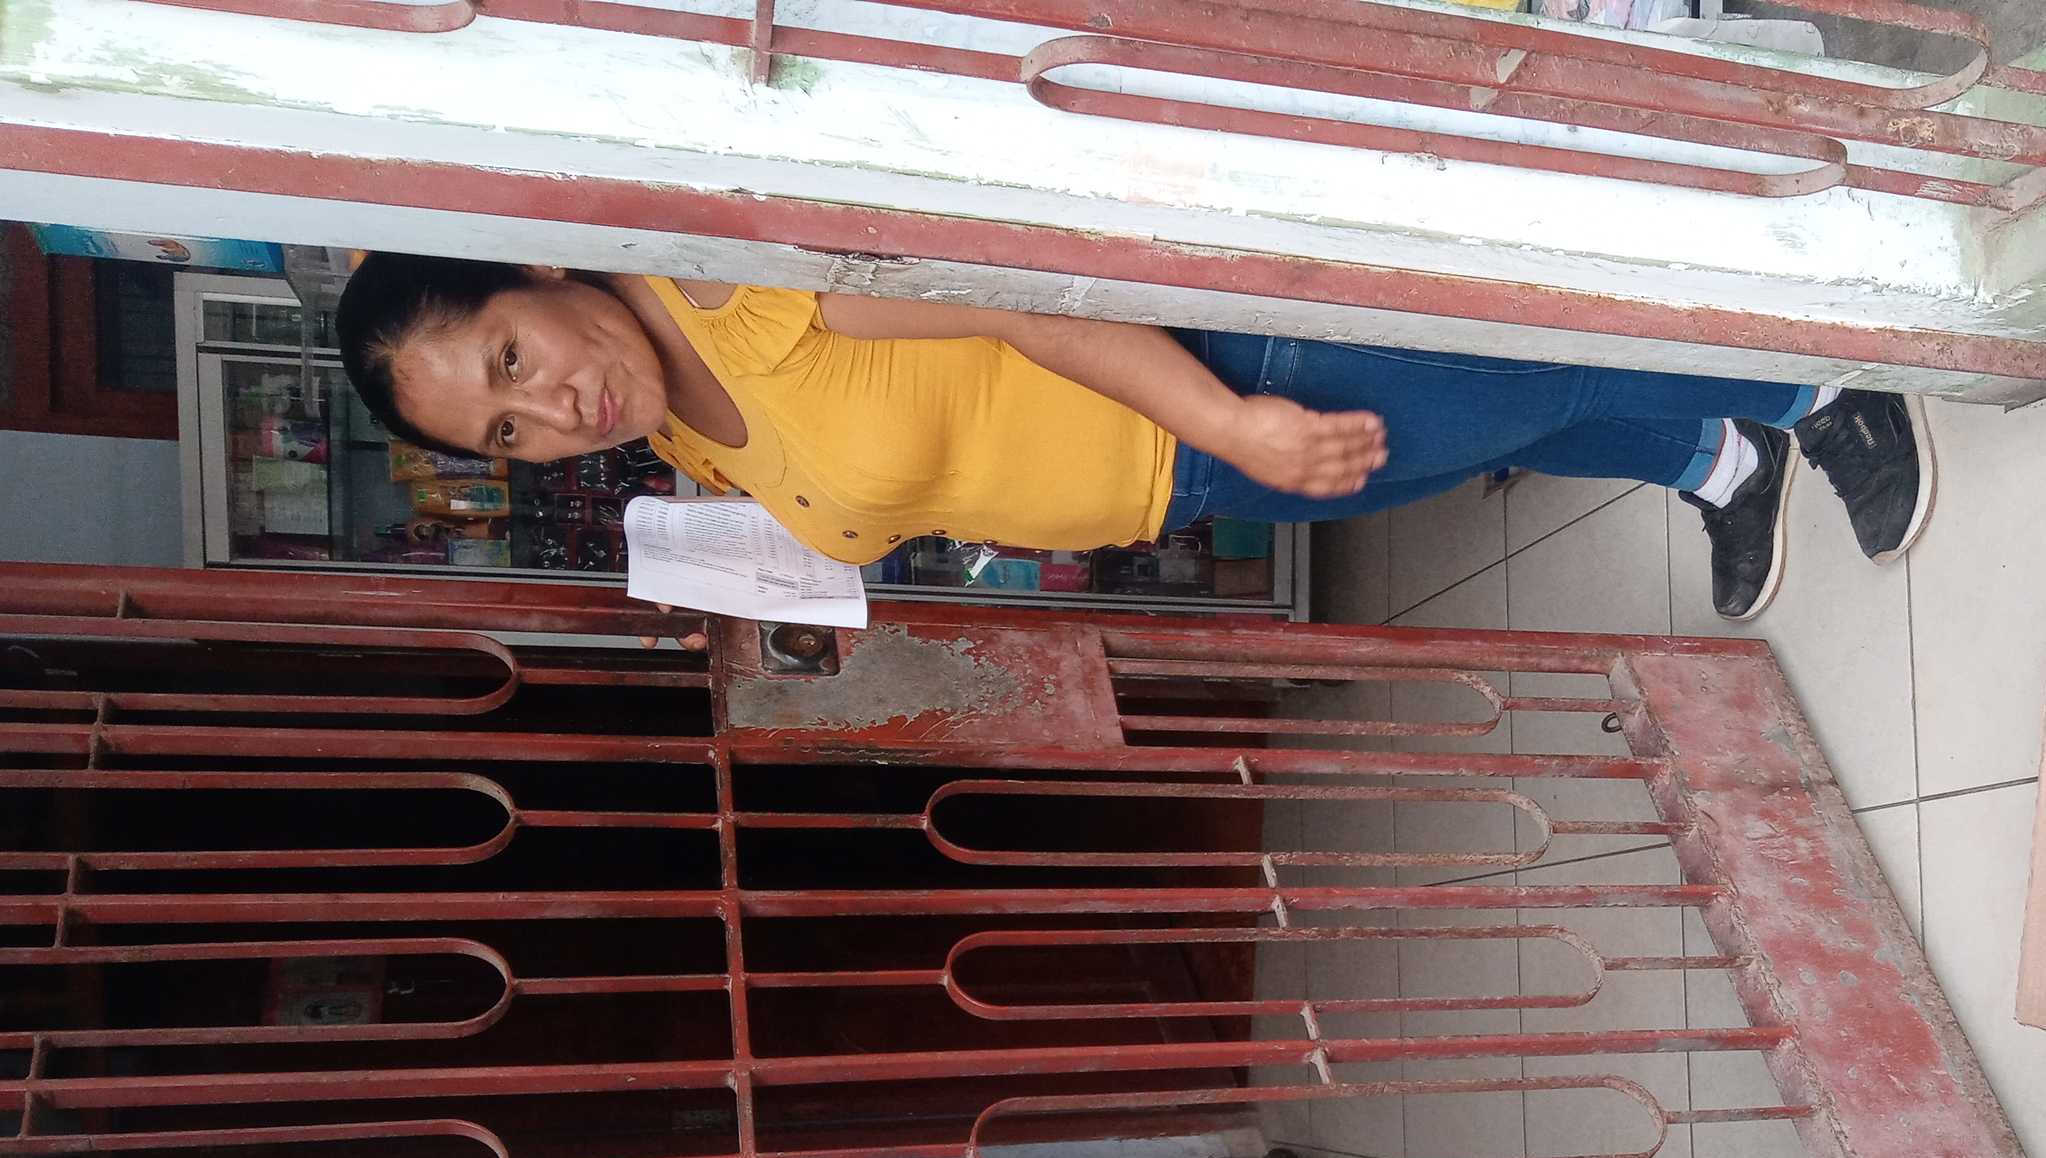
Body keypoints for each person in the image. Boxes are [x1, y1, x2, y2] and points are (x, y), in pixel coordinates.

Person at [335, 256, 1934, 625]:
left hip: (1202, 381)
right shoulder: (698, 446)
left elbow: (1017, 303)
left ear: (538, 274)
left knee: (1502, 378)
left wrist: (1225, 408)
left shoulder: (744, 295)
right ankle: (1715, 460)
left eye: (512, 357)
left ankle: (1816, 393)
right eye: (508, 431)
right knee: (1466, 448)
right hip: (1176, 476)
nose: (555, 412)